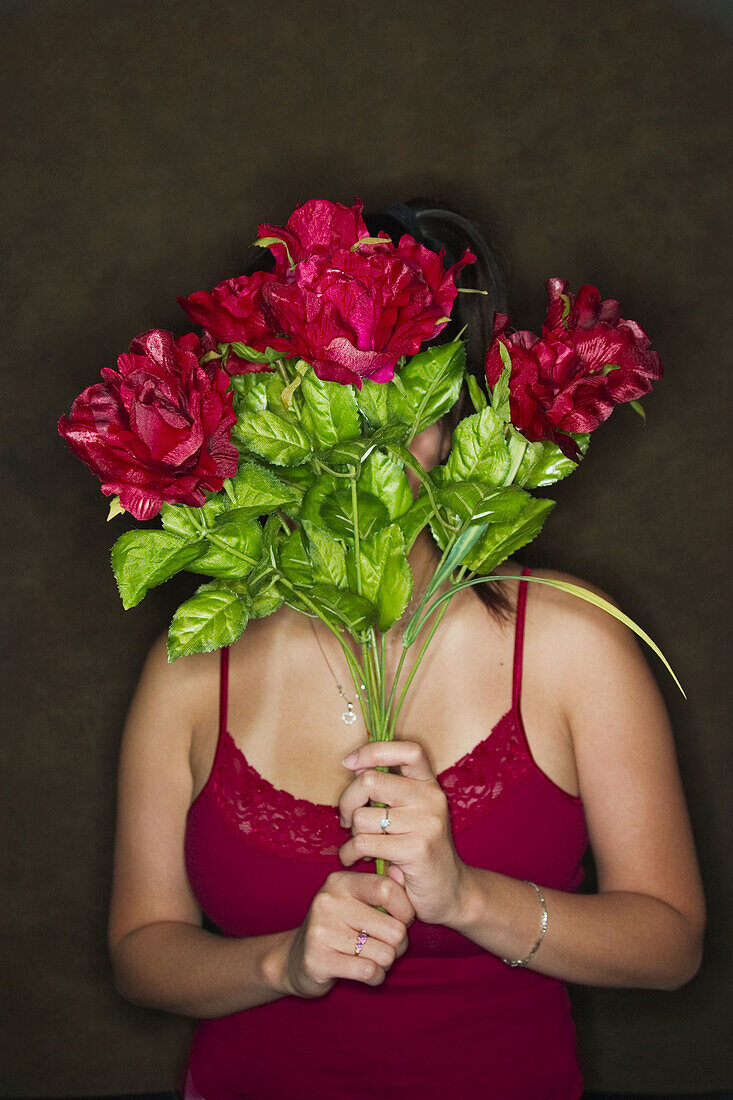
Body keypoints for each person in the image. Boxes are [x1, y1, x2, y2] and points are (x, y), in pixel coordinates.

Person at [107, 199, 706, 1100]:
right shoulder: (193, 668)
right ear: (272, 403)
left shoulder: (574, 646)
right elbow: (140, 951)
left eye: (408, 392)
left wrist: (467, 898)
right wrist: (282, 966)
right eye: (332, 386)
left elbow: (670, 948)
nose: (365, 441)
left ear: (465, 416)